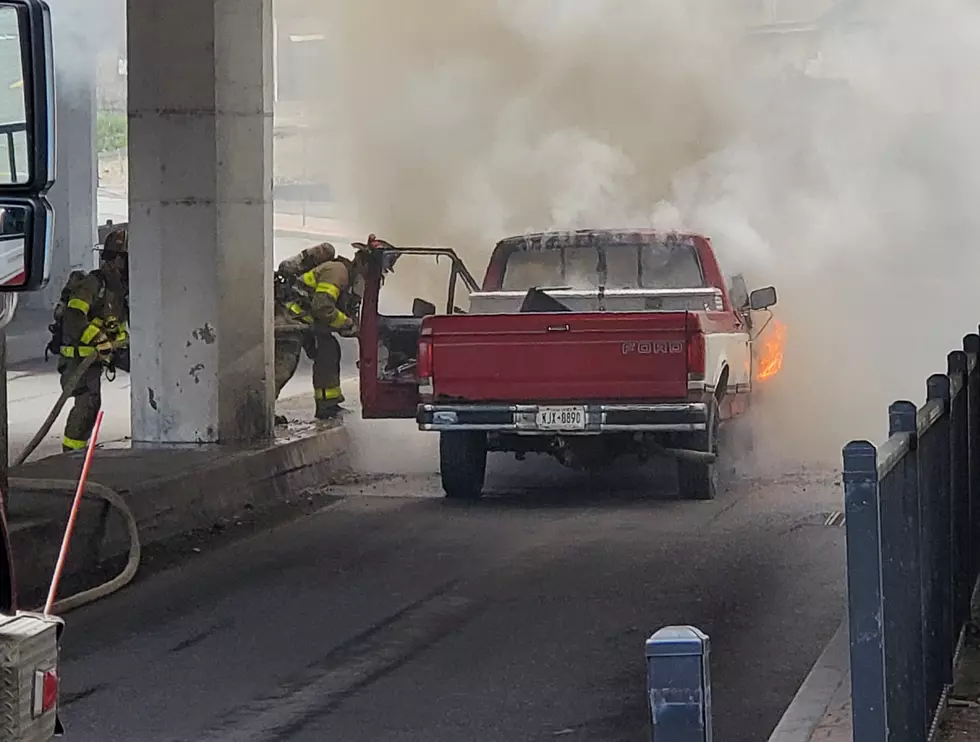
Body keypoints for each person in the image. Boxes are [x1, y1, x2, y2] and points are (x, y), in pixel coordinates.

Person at [56, 227, 130, 452]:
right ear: (117, 259)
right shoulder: (93, 284)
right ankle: (72, 454)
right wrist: (98, 339)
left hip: (107, 351)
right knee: (89, 403)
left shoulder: (119, 288)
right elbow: (73, 317)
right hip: (80, 359)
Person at [273, 242, 364, 421]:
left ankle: (327, 406)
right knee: (283, 367)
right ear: (363, 264)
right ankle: (261, 412)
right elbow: (322, 307)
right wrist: (347, 324)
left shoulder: (348, 280)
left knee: (328, 350)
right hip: (289, 319)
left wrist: (353, 327)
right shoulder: (338, 272)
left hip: (307, 323)